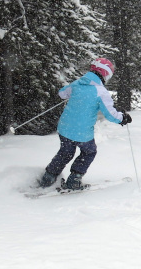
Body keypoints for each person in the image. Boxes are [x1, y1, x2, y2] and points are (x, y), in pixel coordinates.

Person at [38, 57, 132, 190]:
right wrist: (122, 118)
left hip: (65, 128)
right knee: (89, 152)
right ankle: (74, 180)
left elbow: (62, 93)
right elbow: (110, 114)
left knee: (65, 153)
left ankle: (48, 178)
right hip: (82, 132)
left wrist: (73, 93)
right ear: (105, 74)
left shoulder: (78, 83)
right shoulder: (100, 92)